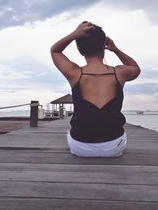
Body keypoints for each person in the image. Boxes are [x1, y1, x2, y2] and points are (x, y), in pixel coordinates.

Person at [50, 21, 140, 157]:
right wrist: (115, 49)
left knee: (69, 134)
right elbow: (135, 68)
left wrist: (75, 34)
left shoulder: (74, 73)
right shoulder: (119, 72)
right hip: (113, 145)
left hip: (81, 146)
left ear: (80, 50)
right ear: (104, 47)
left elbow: (55, 50)